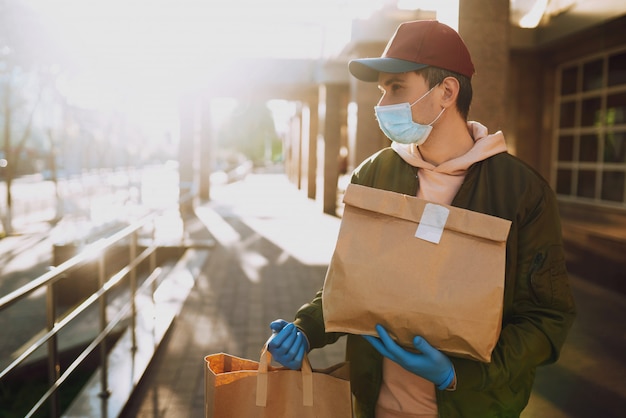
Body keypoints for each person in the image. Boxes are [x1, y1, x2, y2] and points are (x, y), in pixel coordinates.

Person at [267, 19, 576, 418]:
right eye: (381, 91)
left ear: (447, 92)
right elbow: (353, 284)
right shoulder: (374, 175)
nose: (382, 105)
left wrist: (455, 373)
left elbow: (546, 319)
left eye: (396, 88)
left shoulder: (521, 193)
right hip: (374, 406)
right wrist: (306, 330)